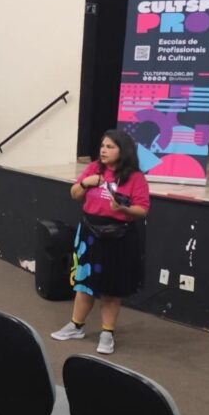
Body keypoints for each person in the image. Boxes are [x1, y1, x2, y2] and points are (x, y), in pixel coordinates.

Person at [50, 129, 150, 354]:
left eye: (110, 147)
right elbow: (74, 194)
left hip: (118, 237)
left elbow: (142, 210)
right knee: (83, 284)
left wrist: (123, 208)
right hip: (89, 234)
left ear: (122, 151)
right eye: (103, 146)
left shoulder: (135, 177)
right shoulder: (94, 168)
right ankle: (76, 326)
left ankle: (107, 333)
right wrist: (86, 183)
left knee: (111, 289)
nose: (103, 151)